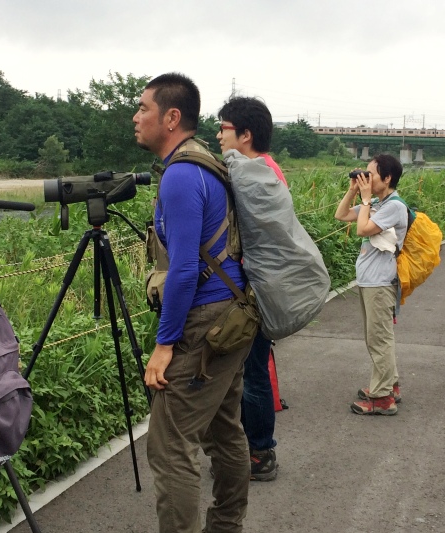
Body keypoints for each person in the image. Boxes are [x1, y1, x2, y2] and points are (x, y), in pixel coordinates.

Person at [135, 73, 251, 533]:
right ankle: (226, 525)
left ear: (171, 117)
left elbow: (183, 270)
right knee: (224, 431)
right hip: (234, 318)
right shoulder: (205, 162)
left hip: (204, 324)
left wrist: (165, 344)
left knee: (170, 445)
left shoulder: (181, 175)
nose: (136, 117)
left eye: (144, 108)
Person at [216, 96, 287, 482]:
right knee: (253, 370)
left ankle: (260, 452)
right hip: (263, 286)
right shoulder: (266, 169)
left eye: (223, 128)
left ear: (244, 134)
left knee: (253, 373)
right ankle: (254, 448)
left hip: (256, 289)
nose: (218, 135)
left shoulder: (257, 173)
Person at [334, 154, 408, 415]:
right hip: (370, 281)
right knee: (377, 338)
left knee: (379, 339)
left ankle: (382, 397)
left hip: (380, 283)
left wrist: (365, 200)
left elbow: (363, 229)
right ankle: (390, 385)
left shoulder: (394, 206)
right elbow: (341, 214)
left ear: (387, 178)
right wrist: (353, 191)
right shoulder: (377, 202)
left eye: (370, 174)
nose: (365, 178)